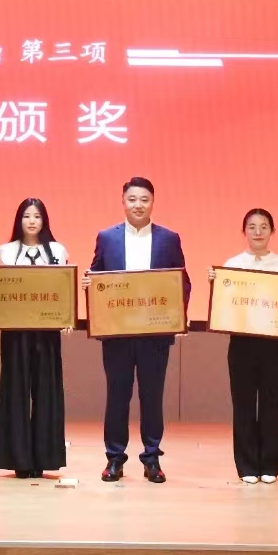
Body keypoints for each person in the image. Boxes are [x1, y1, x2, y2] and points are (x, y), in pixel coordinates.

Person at [82, 177, 190, 484]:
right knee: (117, 395)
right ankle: (114, 458)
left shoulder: (169, 238)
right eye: (132, 199)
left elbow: (182, 282)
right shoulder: (107, 237)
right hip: (117, 333)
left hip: (154, 334)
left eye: (144, 199)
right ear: (123, 202)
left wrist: (175, 318)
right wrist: (90, 284)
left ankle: (152, 458)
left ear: (152, 202)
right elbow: (97, 276)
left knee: (152, 396)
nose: (138, 205)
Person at [0, 198, 69, 479]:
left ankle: (43, 457)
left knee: (47, 391)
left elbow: (62, 289)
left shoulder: (57, 250)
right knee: (15, 390)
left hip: (46, 332)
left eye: (37, 216)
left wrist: (66, 317)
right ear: (19, 220)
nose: (32, 221)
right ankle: (18, 458)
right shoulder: (6, 251)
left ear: (44, 220)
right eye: (27, 216)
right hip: (14, 332)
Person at [207, 208, 278, 484]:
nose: (258, 232)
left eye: (264, 226)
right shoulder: (232, 265)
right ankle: (246, 465)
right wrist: (216, 286)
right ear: (244, 231)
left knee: (271, 404)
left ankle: (268, 464)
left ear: (272, 231)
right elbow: (225, 306)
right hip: (242, 343)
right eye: (252, 226)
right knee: (243, 403)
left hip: (274, 344)